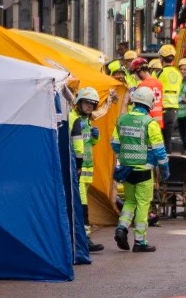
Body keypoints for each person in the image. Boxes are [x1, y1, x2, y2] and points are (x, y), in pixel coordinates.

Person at [111, 86, 169, 252]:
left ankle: (121, 228)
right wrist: (165, 168)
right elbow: (159, 150)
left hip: (127, 170)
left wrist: (125, 156)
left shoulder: (122, 119)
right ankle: (140, 241)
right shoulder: (150, 123)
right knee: (143, 204)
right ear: (150, 103)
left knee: (130, 201)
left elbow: (114, 143)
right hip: (144, 171)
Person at [71, 87, 105, 252]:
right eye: (87, 103)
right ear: (78, 102)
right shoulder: (72, 118)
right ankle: (84, 239)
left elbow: (88, 145)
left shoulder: (87, 120)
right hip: (78, 169)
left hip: (85, 170)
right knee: (82, 206)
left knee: (83, 204)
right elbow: (76, 145)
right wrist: (77, 164)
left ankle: (82, 238)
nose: (90, 107)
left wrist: (95, 137)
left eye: (93, 104)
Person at [157, 44, 182, 144]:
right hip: (174, 109)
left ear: (161, 58)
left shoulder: (160, 73)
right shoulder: (178, 73)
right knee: (168, 138)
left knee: (160, 140)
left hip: (161, 109)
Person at [135, 59, 165, 128]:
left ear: (140, 72)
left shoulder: (142, 85)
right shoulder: (159, 83)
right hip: (159, 119)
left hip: (148, 119)